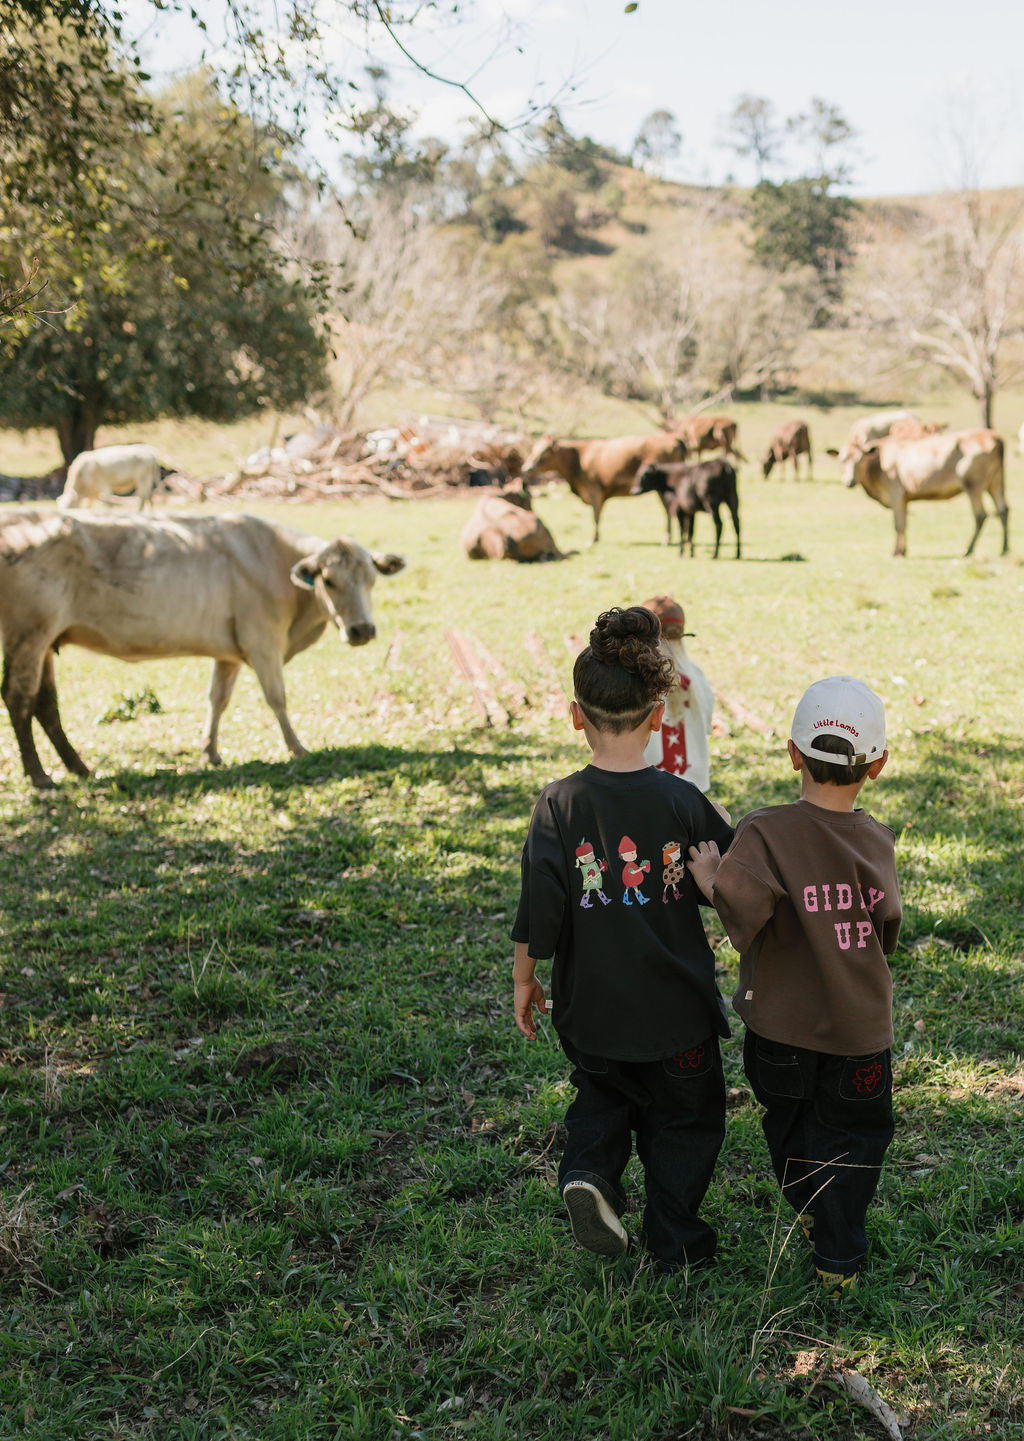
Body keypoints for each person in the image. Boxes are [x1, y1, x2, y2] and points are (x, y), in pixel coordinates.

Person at [511, 605, 734, 1272]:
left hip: (594, 1010)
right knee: (686, 1124)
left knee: (601, 1099)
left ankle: (590, 1173)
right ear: (659, 716)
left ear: (574, 716)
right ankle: (675, 1240)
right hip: (679, 1016)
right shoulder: (683, 800)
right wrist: (720, 849)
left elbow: (540, 907)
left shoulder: (557, 804)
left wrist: (524, 978)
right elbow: (735, 885)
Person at [686, 675, 902, 1298]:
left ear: (792, 753)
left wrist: (711, 876)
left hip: (780, 1031)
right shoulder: (877, 840)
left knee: (789, 1122)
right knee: (856, 1137)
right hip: (860, 1032)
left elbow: (742, 911)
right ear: (878, 765)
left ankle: (810, 1205)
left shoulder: (763, 831)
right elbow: (887, 922)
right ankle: (840, 1254)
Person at [640, 594, 716, 793]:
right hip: (692, 786)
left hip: (650, 786)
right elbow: (707, 725)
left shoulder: (641, 678)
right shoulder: (697, 676)